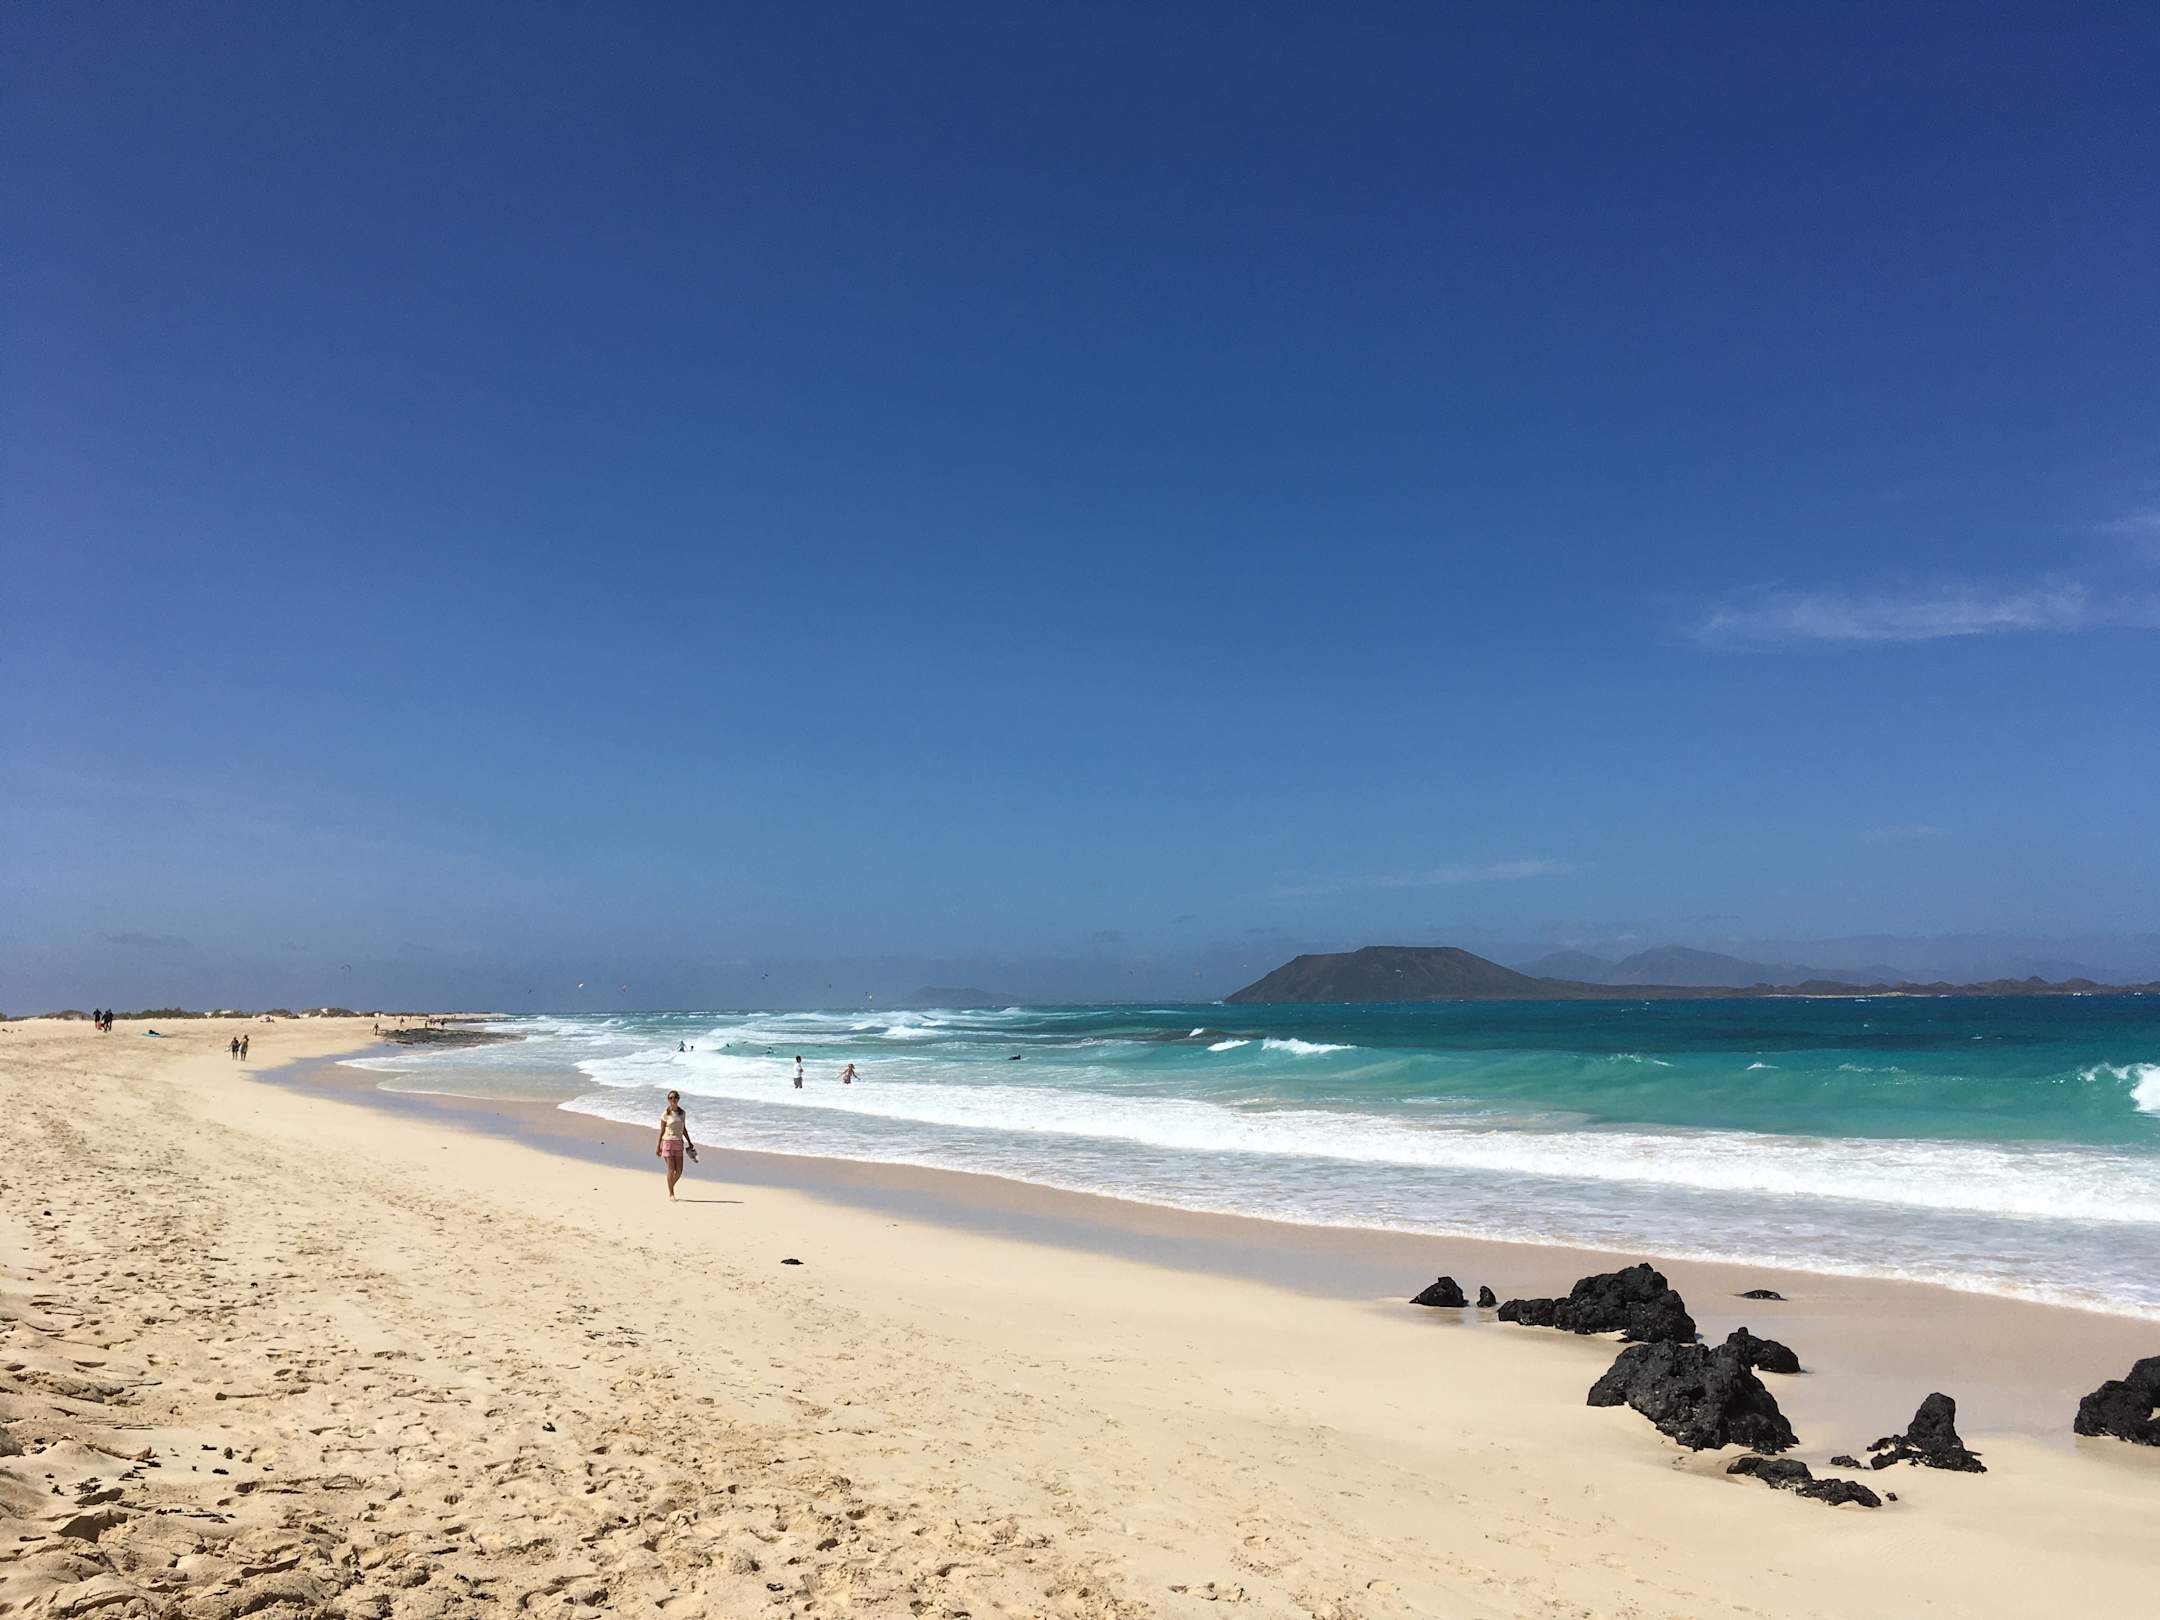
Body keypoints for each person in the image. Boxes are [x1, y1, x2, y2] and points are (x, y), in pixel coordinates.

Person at [655, 1090, 696, 1198]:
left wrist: (689, 1141)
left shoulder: (682, 1113)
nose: (673, 1100)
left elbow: (683, 1129)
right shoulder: (665, 1114)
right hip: (667, 1142)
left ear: (678, 1099)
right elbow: (662, 1131)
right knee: (671, 1169)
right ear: (668, 1100)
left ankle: (670, 1185)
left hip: (678, 1142)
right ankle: (671, 1193)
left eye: (675, 1097)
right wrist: (658, 1146)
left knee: (679, 1171)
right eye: (670, 1098)